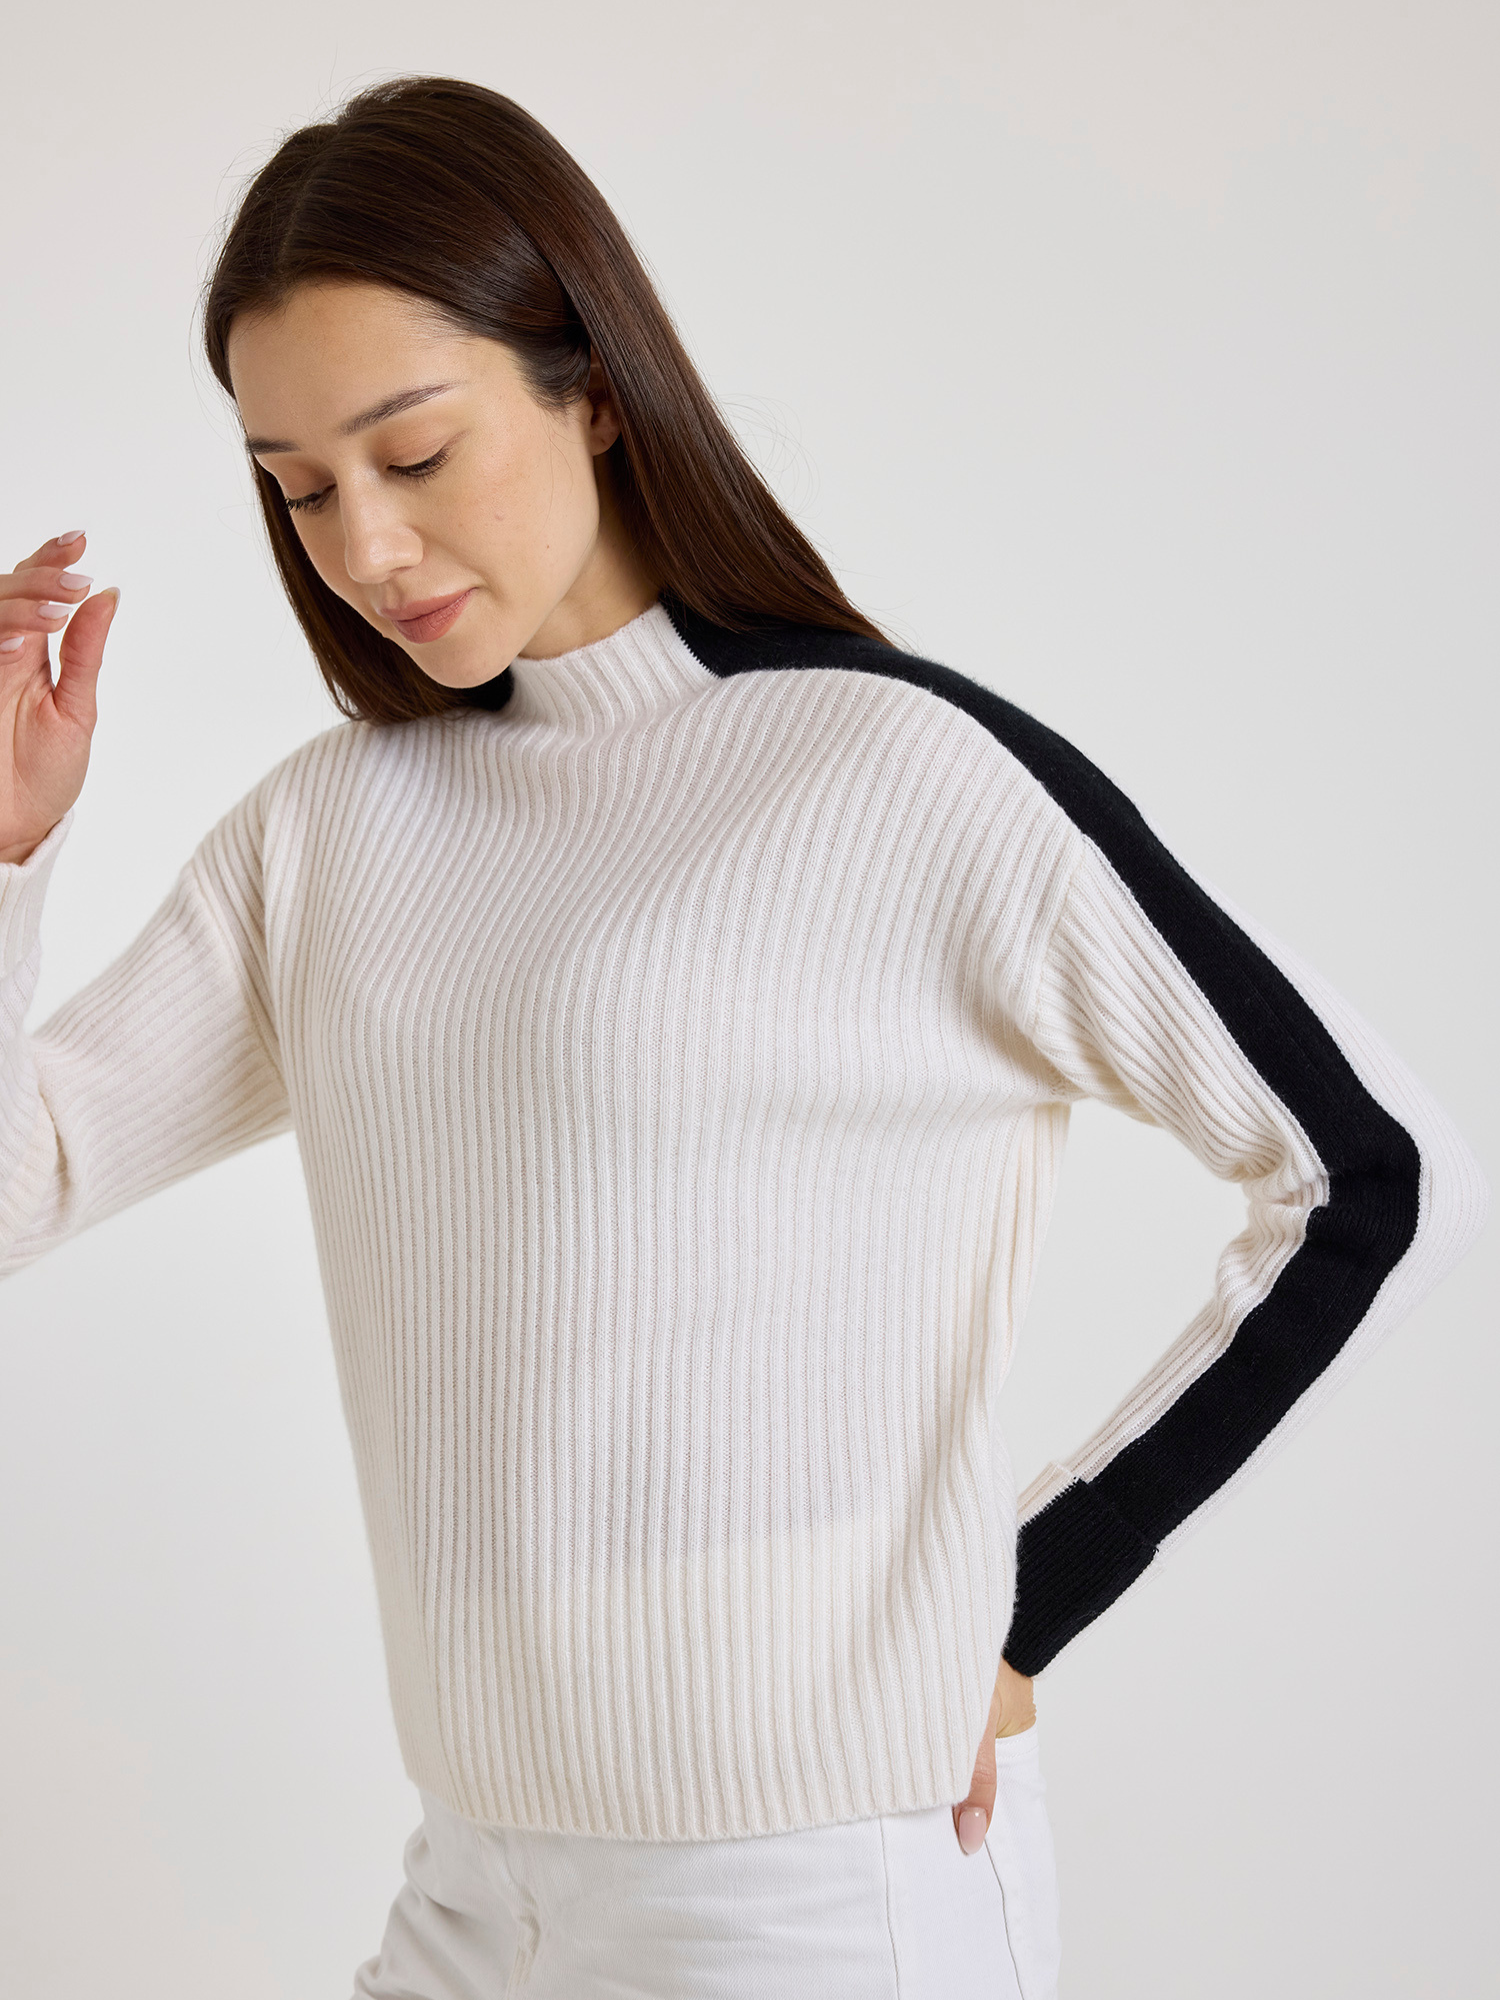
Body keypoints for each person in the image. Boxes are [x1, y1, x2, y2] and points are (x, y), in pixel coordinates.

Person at [0, 74, 1484, 2000]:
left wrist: (1041, 1594)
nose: (361, 544)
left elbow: (1367, 1173)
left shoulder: (889, 770)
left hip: (809, 1895)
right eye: (298, 486)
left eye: (416, 452)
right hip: (471, 1884)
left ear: (592, 389)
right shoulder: (332, 829)